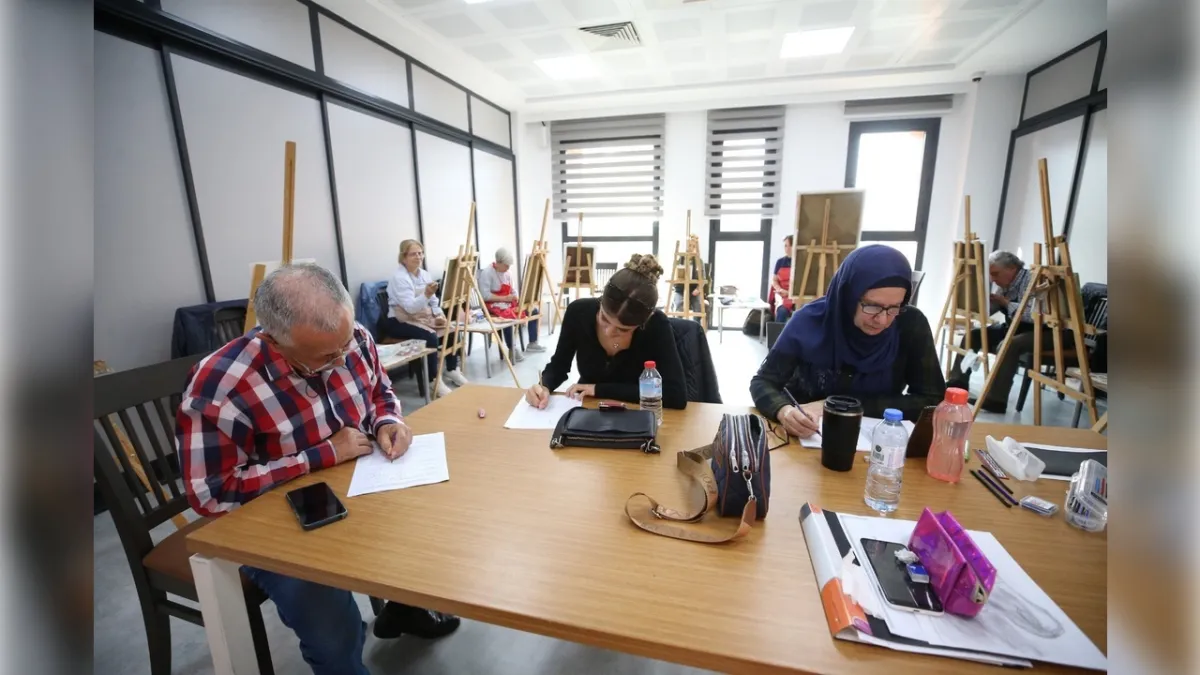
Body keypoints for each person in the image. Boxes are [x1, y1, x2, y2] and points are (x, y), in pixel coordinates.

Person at [177, 264, 460, 675]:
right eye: (326, 358)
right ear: (273, 339)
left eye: (345, 345)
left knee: (425, 531)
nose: (343, 357)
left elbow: (380, 390)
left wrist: (387, 422)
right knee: (336, 629)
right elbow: (211, 494)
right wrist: (321, 455)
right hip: (273, 520)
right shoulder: (220, 386)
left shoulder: (353, 338)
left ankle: (404, 610)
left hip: (353, 484)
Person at [750, 245, 945, 437]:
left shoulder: (910, 324)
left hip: (876, 449)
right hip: (806, 439)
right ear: (848, 296)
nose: (883, 320)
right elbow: (763, 382)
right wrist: (784, 411)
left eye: (894, 307)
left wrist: (836, 405)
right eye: (872, 306)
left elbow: (932, 400)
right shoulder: (808, 322)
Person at [524, 254, 687, 410]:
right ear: (601, 300)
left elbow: (676, 395)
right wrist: (544, 385)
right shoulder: (578, 312)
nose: (609, 332)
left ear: (645, 321)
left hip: (635, 414)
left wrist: (599, 389)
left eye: (622, 329)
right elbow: (559, 366)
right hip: (588, 408)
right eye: (604, 318)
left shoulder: (657, 325)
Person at [946, 250, 1040, 413]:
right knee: (973, 336)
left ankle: (996, 400)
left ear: (1011, 269)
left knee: (1009, 344)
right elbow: (989, 312)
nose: (993, 280)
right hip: (1013, 327)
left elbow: (1034, 315)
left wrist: (1005, 302)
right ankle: (957, 383)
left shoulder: (1032, 280)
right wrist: (978, 304)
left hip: (1040, 331)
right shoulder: (1005, 285)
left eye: (995, 274)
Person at [380, 239, 467, 398]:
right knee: (430, 336)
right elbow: (410, 308)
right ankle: (433, 380)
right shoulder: (399, 278)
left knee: (451, 328)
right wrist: (426, 294)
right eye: (413, 254)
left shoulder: (424, 274)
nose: (418, 257)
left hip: (421, 316)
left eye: (420, 253)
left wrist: (439, 314)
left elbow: (433, 301)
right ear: (404, 257)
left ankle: (452, 369)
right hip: (399, 321)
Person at [477, 247, 544, 363]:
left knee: (533, 310)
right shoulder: (487, 273)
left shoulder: (507, 273)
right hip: (492, 306)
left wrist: (515, 296)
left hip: (507, 302)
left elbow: (513, 290)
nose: (508, 268)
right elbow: (485, 296)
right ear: (498, 263)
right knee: (507, 318)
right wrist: (503, 298)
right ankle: (512, 348)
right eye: (506, 265)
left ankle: (532, 342)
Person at [669, 235, 705, 322]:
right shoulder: (679, 259)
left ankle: (695, 329)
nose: (691, 248)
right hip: (680, 290)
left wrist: (698, 289)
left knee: (698, 307)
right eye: (689, 245)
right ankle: (678, 329)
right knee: (679, 309)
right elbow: (674, 277)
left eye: (693, 246)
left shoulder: (699, 261)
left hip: (694, 291)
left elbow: (702, 278)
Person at [770, 234, 795, 323]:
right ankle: (778, 336)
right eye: (785, 246)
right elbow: (774, 280)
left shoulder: (801, 262)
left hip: (795, 296)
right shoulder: (780, 262)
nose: (786, 248)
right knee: (781, 311)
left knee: (803, 312)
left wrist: (789, 293)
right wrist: (779, 289)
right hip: (782, 296)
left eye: (789, 246)